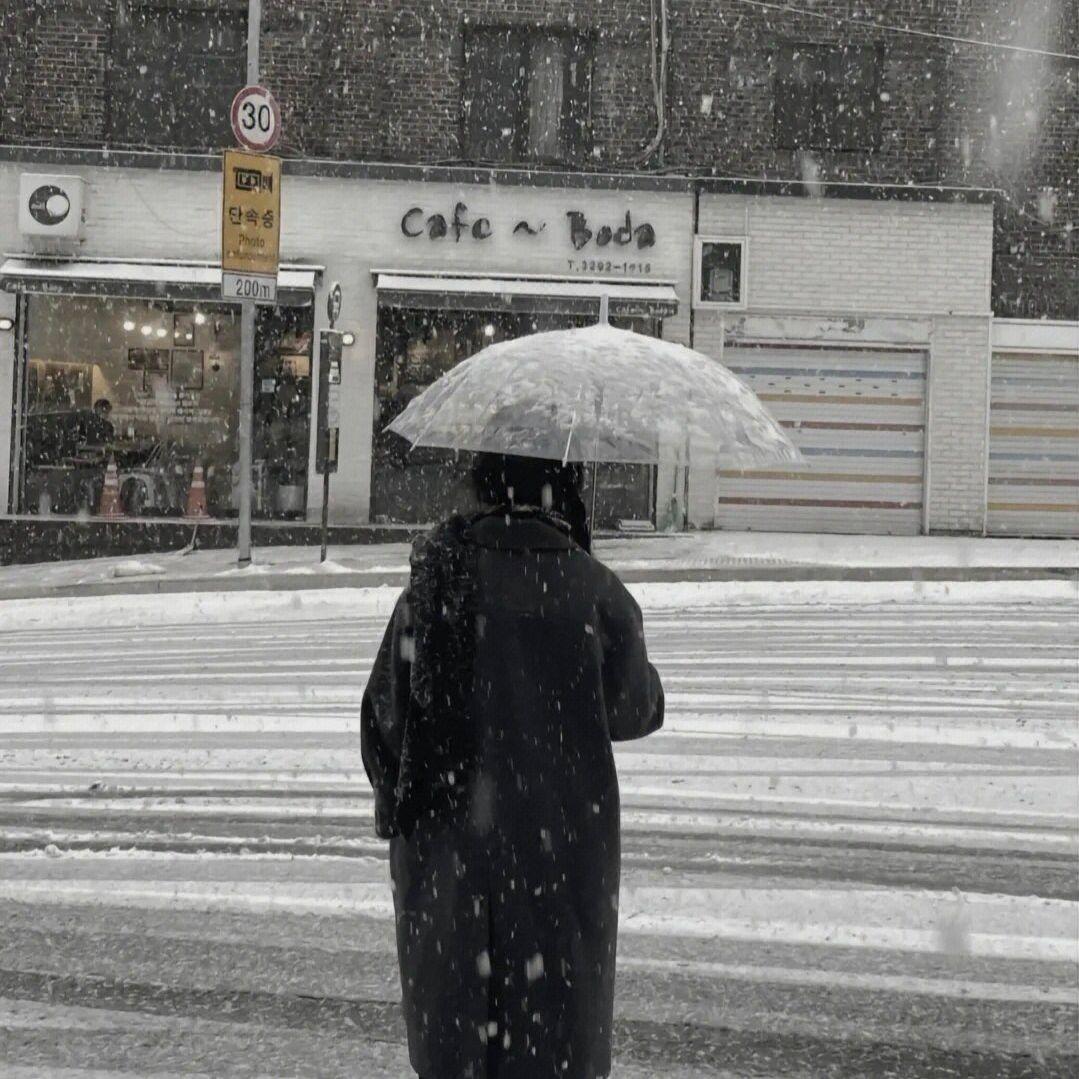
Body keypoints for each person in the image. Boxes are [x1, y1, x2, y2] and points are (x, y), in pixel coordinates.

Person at [361, 452, 664, 1079]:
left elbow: (383, 725)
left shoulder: (436, 585)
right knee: (553, 1039)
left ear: (483, 487)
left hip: (452, 869)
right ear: (564, 490)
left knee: (458, 1039)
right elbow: (636, 709)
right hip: (561, 864)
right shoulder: (594, 591)